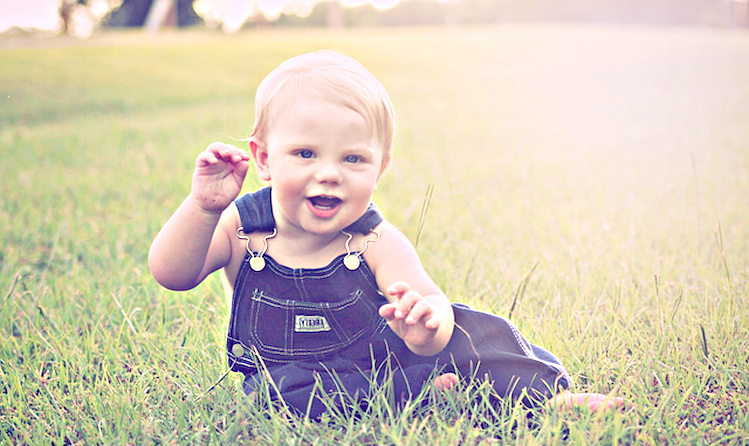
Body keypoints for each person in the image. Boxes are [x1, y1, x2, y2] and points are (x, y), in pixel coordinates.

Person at [149, 50, 622, 418]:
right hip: (293, 381)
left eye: (352, 159)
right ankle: (425, 396)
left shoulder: (375, 241)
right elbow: (173, 273)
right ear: (265, 159)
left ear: (381, 169)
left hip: (385, 361)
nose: (330, 173)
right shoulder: (240, 228)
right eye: (305, 154)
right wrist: (202, 207)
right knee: (274, 398)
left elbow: (429, 304)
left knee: (474, 335)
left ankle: (542, 397)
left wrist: (426, 329)